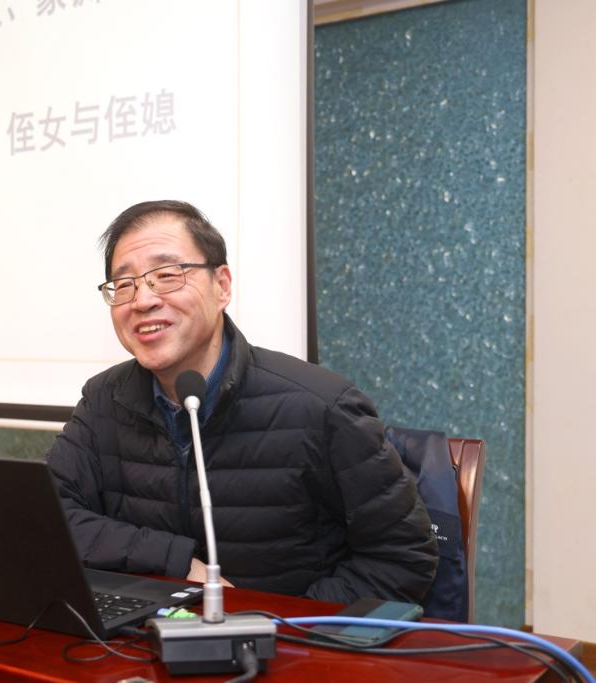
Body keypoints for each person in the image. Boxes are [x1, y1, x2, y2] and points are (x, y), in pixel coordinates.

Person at [46, 200, 439, 604]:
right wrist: (174, 560)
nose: (142, 300)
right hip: (147, 632)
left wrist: (275, 619)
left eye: (166, 275)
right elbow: (44, 517)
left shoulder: (320, 406)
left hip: (287, 637)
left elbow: (402, 559)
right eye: (124, 284)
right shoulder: (104, 399)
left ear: (222, 286)